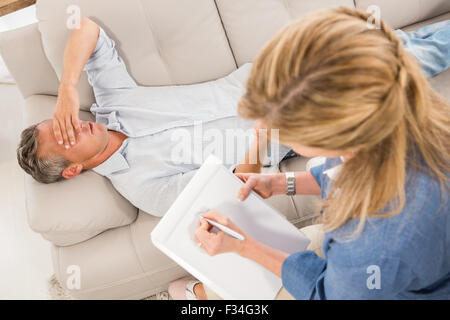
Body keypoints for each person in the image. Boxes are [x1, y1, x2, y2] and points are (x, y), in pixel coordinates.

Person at [169, 8, 450, 300]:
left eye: (280, 129)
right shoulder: (399, 119)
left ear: (337, 135)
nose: (264, 128)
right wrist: (280, 183)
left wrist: (243, 246)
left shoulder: (373, 243)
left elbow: (325, 294)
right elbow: (337, 169)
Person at [16, 18, 291, 217]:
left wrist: (67, 89)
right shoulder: (143, 188)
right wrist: (264, 133)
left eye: (64, 120)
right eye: (66, 135)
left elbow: (87, 28)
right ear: (73, 169)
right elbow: (232, 190)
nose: (74, 124)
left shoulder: (114, 100)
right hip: (290, 129)